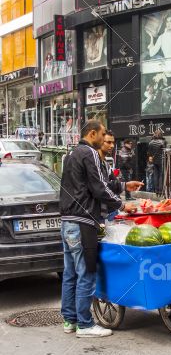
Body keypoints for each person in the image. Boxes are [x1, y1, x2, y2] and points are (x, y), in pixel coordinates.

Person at [59, 120, 142, 338]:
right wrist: (123, 204)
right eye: (103, 134)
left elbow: (94, 184)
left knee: (70, 274)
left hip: (68, 222)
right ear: (93, 133)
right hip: (82, 221)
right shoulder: (91, 153)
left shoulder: (72, 154)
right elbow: (99, 187)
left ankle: (70, 320)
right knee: (86, 272)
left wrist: (123, 186)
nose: (106, 138)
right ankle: (85, 325)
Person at [99, 130, 136, 221]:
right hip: (99, 215)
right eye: (108, 142)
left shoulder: (106, 164)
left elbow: (112, 184)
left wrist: (125, 185)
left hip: (110, 212)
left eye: (113, 142)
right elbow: (101, 188)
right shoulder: (94, 163)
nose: (112, 146)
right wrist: (122, 206)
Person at [148, 130, 167, 197]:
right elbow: (165, 151)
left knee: (155, 175)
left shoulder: (151, 142)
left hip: (154, 161)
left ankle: (156, 190)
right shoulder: (163, 142)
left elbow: (149, 153)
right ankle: (160, 190)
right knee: (161, 175)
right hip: (161, 160)